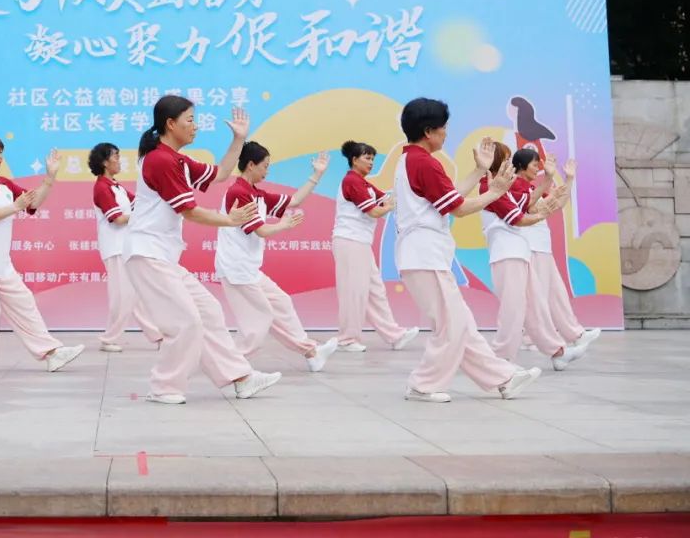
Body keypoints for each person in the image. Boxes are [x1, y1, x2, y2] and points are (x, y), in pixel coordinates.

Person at [124, 96, 281, 405]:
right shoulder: (160, 160)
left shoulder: (179, 160)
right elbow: (190, 211)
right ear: (171, 124)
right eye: (190, 120)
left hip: (163, 257)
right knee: (186, 322)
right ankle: (164, 386)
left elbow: (221, 173)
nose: (195, 126)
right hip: (147, 254)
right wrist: (230, 220)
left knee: (208, 311)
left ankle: (240, 377)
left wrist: (238, 139)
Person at [394, 97, 541, 403]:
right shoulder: (425, 163)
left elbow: (450, 198)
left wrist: (478, 171)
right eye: (443, 128)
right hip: (425, 256)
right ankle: (423, 384)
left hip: (423, 255)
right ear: (428, 131)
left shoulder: (412, 160)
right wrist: (495, 191)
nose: (446, 133)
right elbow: (459, 209)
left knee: (461, 324)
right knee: (452, 325)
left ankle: (503, 378)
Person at [0, 133, 84, 374]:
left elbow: (32, 203)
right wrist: (15, 206)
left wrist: (50, 177)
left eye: (1, 152)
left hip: (1, 263)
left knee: (24, 304)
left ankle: (51, 353)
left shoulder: (4, 184)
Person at [214, 141, 338, 371]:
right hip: (236, 269)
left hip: (249, 269)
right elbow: (261, 230)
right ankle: (230, 364)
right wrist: (284, 225)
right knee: (259, 319)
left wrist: (317, 175)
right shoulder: (238, 193)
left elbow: (294, 201)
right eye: (265, 166)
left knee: (281, 302)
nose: (267, 171)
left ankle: (312, 353)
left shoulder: (257, 194)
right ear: (251, 165)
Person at [482, 144, 586, 371]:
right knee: (514, 307)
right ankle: (501, 359)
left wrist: (554, 183)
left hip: (519, 252)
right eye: (506, 159)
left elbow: (528, 203)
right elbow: (519, 217)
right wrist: (542, 210)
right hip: (506, 253)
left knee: (535, 305)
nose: (510, 164)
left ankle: (557, 352)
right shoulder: (490, 186)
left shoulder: (505, 186)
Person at [332, 140, 419, 353]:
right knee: (354, 292)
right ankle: (347, 339)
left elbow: (388, 198)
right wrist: (387, 206)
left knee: (375, 291)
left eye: (373, 158)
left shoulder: (365, 184)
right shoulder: (352, 181)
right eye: (367, 158)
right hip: (349, 241)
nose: (371, 162)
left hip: (361, 243)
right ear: (354, 160)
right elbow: (374, 211)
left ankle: (394, 335)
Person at [513, 150, 602, 351]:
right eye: (534, 165)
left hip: (542, 248)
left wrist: (569, 179)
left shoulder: (532, 187)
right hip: (530, 248)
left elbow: (557, 204)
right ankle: (530, 338)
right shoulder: (515, 186)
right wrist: (549, 179)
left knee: (556, 294)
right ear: (521, 166)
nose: (537, 168)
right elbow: (532, 207)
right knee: (538, 297)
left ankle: (575, 334)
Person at [88, 142, 162, 352]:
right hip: (115, 248)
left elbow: (140, 203)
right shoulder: (102, 188)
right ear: (104, 162)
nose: (119, 161)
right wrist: (140, 217)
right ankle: (109, 339)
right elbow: (118, 219)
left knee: (136, 294)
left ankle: (157, 336)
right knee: (123, 296)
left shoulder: (116, 187)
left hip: (125, 247)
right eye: (116, 157)